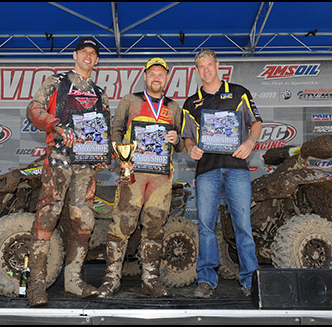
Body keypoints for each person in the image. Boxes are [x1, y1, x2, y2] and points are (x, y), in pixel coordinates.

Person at [25, 37, 110, 307]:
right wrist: (55, 126)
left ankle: (73, 282)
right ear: (75, 55)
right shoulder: (56, 82)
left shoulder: (100, 93)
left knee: (83, 219)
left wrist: (105, 154)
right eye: (84, 52)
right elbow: (33, 110)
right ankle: (35, 285)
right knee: (47, 216)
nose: (88, 56)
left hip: (87, 165)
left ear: (97, 61)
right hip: (59, 159)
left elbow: (105, 130)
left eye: (93, 54)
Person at [97, 57, 184, 298]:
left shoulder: (174, 107)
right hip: (132, 173)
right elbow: (115, 130)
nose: (156, 78)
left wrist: (176, 141)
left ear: (166, 79)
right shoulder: (130, 101)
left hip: (161, 177)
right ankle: (111, 279)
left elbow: (180, 146)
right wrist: (120, 154)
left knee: (155, 225)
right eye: (152, 74)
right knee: (123, 223)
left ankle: (150, 279)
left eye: (161, 74)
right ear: (145, 77)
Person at [181, 49, 262, 298]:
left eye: (209, 65)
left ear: (217, 65)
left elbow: (256, 123)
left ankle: (251, 280)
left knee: (243, 226)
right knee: (205, 226)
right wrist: (190, 148)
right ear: (197, 71)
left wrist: (249, 143)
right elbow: (186, 137)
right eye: (201, 67)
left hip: (237, 169)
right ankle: (206, 280)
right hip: (206, 170)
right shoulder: (190, 103)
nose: (206, 70)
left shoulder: (239, 92)